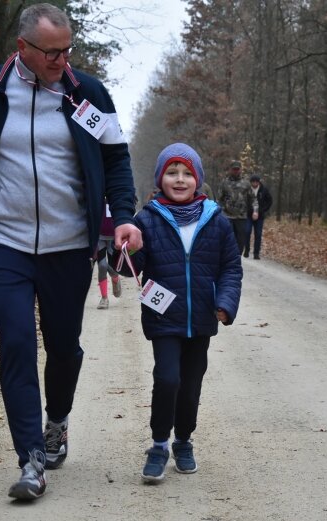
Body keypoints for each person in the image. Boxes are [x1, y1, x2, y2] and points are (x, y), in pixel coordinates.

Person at [0, 3, 141, 501]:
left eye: (67, 49)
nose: (63, 59)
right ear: (23, 49)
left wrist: (123, 214)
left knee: (63, 347)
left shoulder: (87, 92)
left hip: (68, 246)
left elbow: (116, 157)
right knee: (15, 344)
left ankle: (57, 422)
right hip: (4, 243)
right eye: (53, 52)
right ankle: (31, 458)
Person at [114, 143, 242, 483]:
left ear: (197, 179)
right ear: (160, 178)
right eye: (172, 172)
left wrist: (226, 303)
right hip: (164, 318)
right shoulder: (147, 218)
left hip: (201, 319)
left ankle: (183, 441)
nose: (180, 179)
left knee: (190, 386)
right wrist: (125, 249)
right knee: (167, 379)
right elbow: (129, 269)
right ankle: (158, 445)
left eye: (187, 173)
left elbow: (230, 267)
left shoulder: (216, 220)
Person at [217, 160, 251, 254]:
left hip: (241, 216)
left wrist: (255, 211)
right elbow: (219, 199)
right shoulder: (224, 183)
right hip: (227, 215)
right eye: (234, 169)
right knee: (228, 237)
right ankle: (228, 256)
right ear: (230, 170)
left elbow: (252, 199)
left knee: (241, 239)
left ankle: (237, 256)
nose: (236, 171)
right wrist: (219, 212)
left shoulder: (246, 183)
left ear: (240, 170)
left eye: (237, 169)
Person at [95, 203, 122, 309]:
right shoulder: (97, 194)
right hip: (99, 236)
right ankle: (104, 298)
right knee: (102, 265)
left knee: (112, 266)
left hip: (114, 236)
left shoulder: (116, 195)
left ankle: (115, 278)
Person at [244, 174, 273, 259]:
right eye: (253, 182)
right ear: (251, 182)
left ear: (259, 182)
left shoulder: (264, 190)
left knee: (258, 234)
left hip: (260, 216)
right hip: (249, 215)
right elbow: (244, 201)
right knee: (247, 232)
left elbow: (270, 201)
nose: (255, 183)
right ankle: (246, 250)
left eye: (256, 182)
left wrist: (263, 210)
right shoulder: (247, 190)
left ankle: (256, 253)